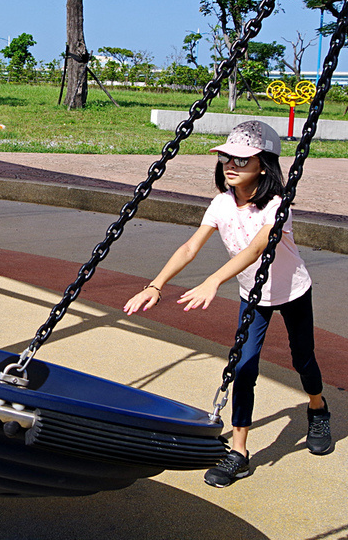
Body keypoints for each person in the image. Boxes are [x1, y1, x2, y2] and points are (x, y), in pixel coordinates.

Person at [122, 120, 331, 487]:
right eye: (225, 158)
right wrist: (156, 285)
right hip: (253, 295)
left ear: (263, 165)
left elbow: (255, 250)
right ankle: (240, 451)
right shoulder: (221, 203)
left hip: (292, 290)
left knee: (303, 358)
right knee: (244, 367)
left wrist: (213, 281)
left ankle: (317, 407)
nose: (230, 165)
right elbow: (190, 247)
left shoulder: (277, 207)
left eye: (241, 159)